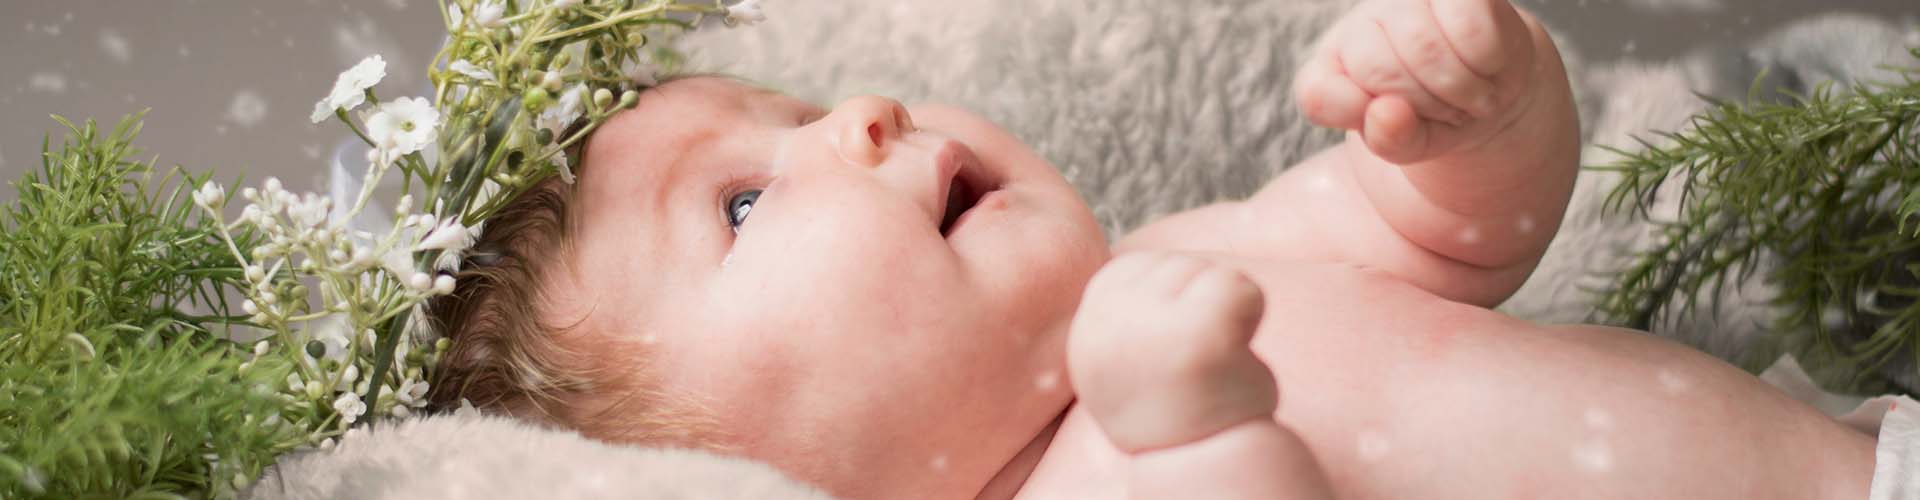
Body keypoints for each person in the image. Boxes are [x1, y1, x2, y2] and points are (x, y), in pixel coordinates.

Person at [425, 0, 1878, 497]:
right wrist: (1189, 432)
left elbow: (1449, 236)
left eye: (797, 112)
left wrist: (1478, 115)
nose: (860, 115)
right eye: (741, 205)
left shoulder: (1180, 256)